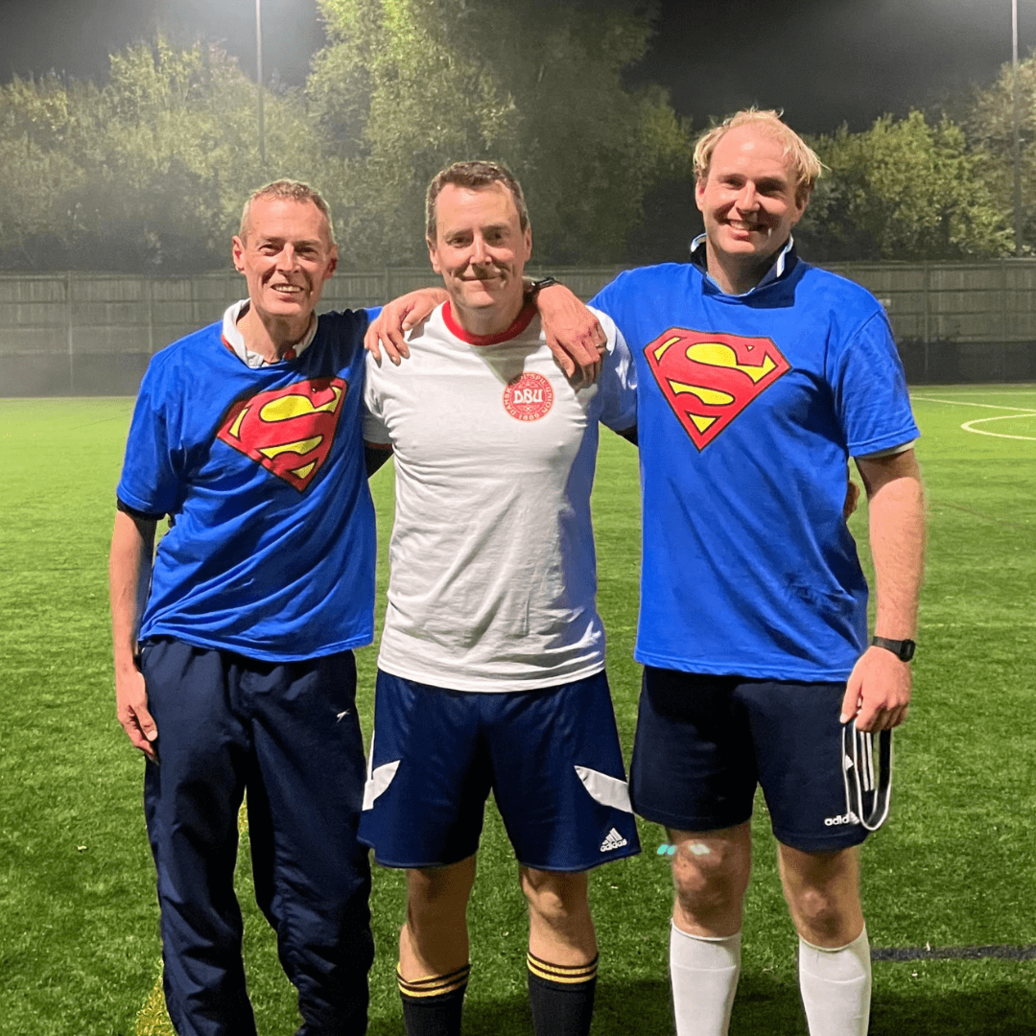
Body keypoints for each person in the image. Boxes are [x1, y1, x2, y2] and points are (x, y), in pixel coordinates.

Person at [367, 111, 925, 1036]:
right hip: (683, 655)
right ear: (701, 189)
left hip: (815, 654)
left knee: (822, 893)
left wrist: (892, 644)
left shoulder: (843, 313)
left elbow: (895, 483)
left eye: (771, 188)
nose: (749, 202)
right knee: (700, 875)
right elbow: (525, 306)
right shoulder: (639, 298)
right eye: (732, 183)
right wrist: (541, 295)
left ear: (800, 201)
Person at [358, 160, 641, 1036]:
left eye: (496, 235)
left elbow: (691, 444)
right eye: (458, 238)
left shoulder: (591, 345)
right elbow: (321, 472)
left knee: (556, 888)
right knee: (431, 885)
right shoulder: (389, 353)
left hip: (554, 672)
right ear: (432, 252)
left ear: (527, 242)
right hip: (424, 673)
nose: (479, 254)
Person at [110, 180, 378, 1036]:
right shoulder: (178, 370)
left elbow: (458, 300)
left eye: (306, 250)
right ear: (240, 255)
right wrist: (126, 663)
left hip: (307, 663)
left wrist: (553, 293)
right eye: (271, 247)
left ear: (329, 264)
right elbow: (133, 520)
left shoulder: (358, 347)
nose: (287, 265)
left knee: (328, 888)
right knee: (191, 878)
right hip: (187, 654)